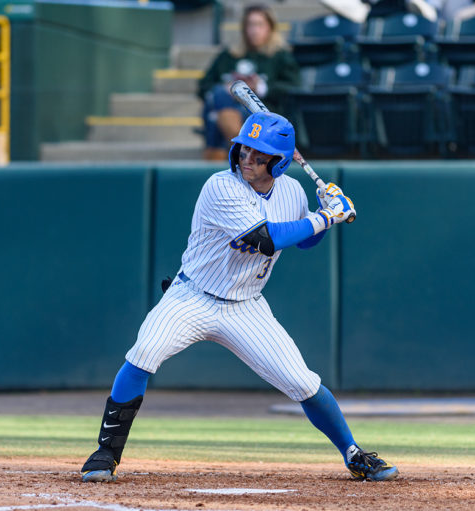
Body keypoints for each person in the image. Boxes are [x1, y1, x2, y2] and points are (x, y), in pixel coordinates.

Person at [80, 112, 398, 483]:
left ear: (278, 162)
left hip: (246, 306)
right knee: (143, 354)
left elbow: (308, 241)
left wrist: (324, 208)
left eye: (259, 154)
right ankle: (105, 454)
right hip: (192, 296)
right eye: (244, 148)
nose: (247, 157)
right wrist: (328, 217)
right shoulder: (220, 186)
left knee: (303, 382)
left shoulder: (292, 191)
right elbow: (265, 239)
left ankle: (353, 452)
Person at [197, 4, 300, 161]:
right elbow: (204, 86)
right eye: (250, 24)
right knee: (219, 94)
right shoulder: (229, 55)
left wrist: (259, 87)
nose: (254, 30)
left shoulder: (280, 56)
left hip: (261, 115)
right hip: (228, 105)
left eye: (259, 25)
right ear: (244, 28)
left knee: (214, 117)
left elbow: (294, 86)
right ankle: (243, 150)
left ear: (270, 28)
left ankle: (225, 157)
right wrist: (230, 89)